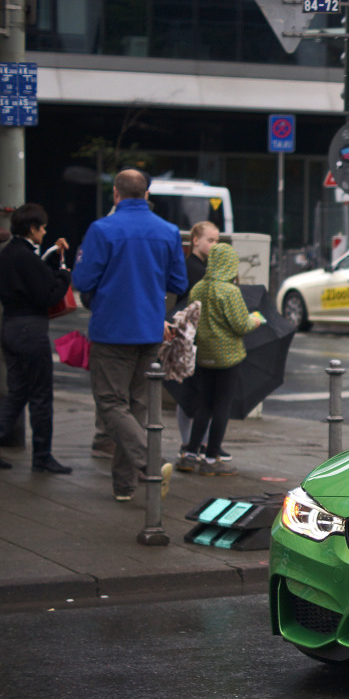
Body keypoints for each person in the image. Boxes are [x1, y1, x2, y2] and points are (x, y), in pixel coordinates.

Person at [72, 169, 187, 503]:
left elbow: (83, 279)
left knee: (110, 402)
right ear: (147, 194)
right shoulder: (167, 231)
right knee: (136, 405)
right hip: (149, 330)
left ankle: (150, 463)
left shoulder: (102, 229)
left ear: (116, 195)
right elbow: (178, 284)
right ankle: (124, 486)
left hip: (112, 330)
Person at [0, 204, 74, 473]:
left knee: (16, 393)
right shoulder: (25, 257)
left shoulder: (8, 254)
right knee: (41, 395)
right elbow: (47, 293)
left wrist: (52, 259)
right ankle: (42, 456)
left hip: (10, 326)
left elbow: (34, 280)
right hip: (31, 330)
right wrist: (64, 274)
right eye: (42, 228)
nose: (44, 232)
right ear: (32, 228)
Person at [181, 242, 262, 476]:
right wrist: (255, 320)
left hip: (204, 355)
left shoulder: (198, 288)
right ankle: (212, 457)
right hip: (228, 357)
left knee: (203, 403)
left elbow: (191, 319)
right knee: (221, 406)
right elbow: (240, 325)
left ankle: (189, 454)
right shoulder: (230, 291)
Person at [173, 221, 219, 473]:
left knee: (196, 392)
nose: (214, 245)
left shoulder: (202, 267)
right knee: (191, 392)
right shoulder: (194, 269)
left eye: (217, 240)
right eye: (210, 240)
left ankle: (196, 441)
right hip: (192, 338)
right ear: (196, 241)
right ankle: (189, 442)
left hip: (196, 337)